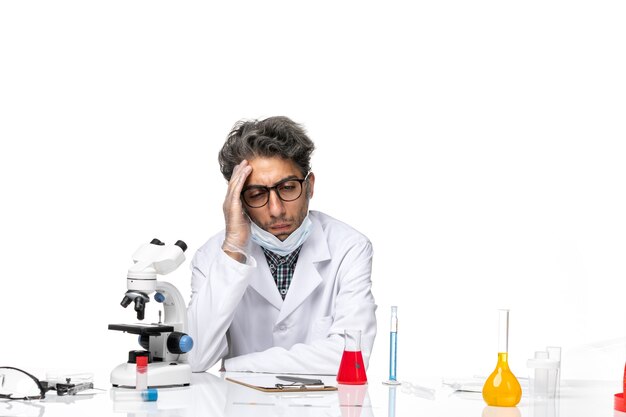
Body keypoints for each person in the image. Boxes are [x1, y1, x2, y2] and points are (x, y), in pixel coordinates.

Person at [187, 116, 377, 374]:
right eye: (256, 194)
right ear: (237, 199)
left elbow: (352, 358)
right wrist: (233, 248)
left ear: (309, 186)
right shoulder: (212, 258)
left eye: (287, 188)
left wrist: (237, 366)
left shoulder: (349, 248)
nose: (276, 210)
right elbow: (194, 357)